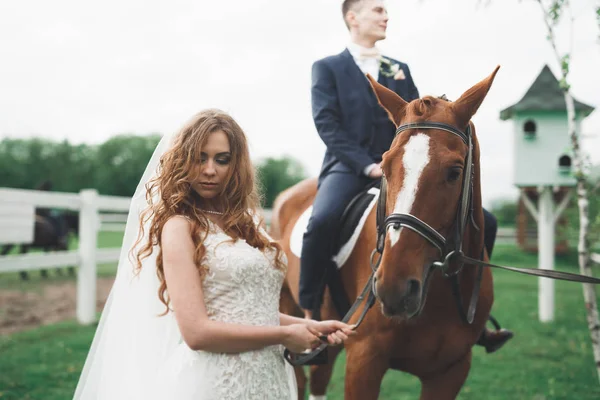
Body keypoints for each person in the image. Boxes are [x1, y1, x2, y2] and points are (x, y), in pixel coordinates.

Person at [73, 109, 356, 400]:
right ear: (183, 161)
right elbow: (197, 333)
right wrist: (284, 336)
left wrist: (307, 325)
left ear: (236, 165)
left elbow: (250, 312)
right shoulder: (179, 227)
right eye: (200, 158)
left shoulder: (244, 224)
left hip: (269, 380)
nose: (210, 169)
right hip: (216, 383)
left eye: (222, 159)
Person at [299, 0, 513, 353]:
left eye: (386, 11)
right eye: (377, 10)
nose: (386, 15)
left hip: (404, 169)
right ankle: (309, 309)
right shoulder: (327, 67)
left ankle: (473, 320)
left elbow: (415, 122)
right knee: (320, 221)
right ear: (352, 18)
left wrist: (407, 162)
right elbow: (327, 125)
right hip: (349, 168)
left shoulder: (399, 68)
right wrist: (366, 165)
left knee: (484, 222)